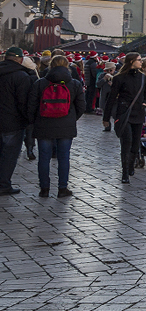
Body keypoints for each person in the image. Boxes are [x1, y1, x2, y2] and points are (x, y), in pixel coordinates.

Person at [26, 54, 85, 198]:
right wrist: (71, 118)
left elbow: (31, 106)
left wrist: (35, 120)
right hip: (66, 125)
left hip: (44, 124)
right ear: (67, 66)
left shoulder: (40, 83)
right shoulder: (75, 84)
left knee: (44, 158)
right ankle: (62, 188)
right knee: (64, 157)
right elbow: (81, 106)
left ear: (51, 66)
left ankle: (44, 188)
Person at [104, 52, 146, 184]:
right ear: (131, 62)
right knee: (127, 142)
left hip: (139, 113)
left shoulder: (142, 77)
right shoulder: (119, 78)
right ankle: (125, 172)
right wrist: (106, 117)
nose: (141, 62)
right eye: (139, 60)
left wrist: (145, 102)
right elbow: (111, 98)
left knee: (136, 143)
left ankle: (131, 165)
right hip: (124, 113)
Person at [0, 47, 35, 195]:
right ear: (21, 59)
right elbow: (23, 102)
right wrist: (28, 120)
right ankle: (3, 185)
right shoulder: (21, 76)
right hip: (12, 122)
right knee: (9, 155)